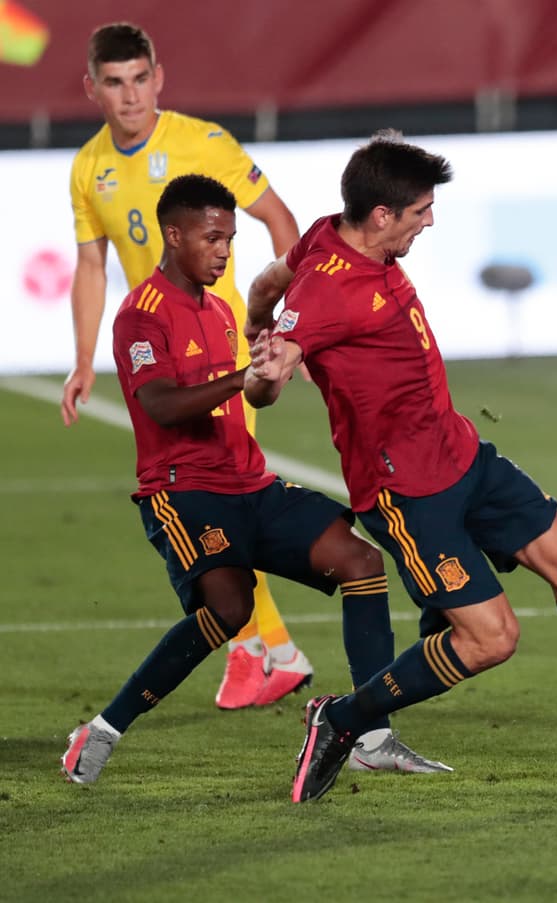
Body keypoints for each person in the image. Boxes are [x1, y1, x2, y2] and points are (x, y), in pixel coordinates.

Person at [241, 131, 557, 801]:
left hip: (464, 455)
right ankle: (343, 718)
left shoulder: (329, 235)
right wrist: (267, 368)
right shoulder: (329, 292)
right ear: (382, 216)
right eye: (420, 210)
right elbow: (267, 381)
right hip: (405, 490)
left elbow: (271, 278)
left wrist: (255, 319)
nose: (430, 220)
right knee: (493, 637)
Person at [61, 175, 448, 784]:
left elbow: (254, 399)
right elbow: (161, 405)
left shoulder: (222, 309)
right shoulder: (141, 315)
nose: (223, 250)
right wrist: (242, 378)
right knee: (230, 607)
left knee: (361, 563)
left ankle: (371, 736)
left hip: (251, 486)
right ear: (174, 234)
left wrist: (266, 375)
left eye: (230, 239)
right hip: (181, 490)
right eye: (212, 238)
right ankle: (103, 729)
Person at [61, 22, 307, 709]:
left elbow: (283, 222)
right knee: (212, 508)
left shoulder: (202, 144)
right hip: (163, 363)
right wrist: (83, 359)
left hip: (222, 356)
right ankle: (269, 650)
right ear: (93, 89)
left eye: (140, 78)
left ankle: (267, 651)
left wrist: (288, 327)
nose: (130, 95)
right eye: (114, 82)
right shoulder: (88, 168)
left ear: (158, 78)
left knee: (222, 504)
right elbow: (90, 264)